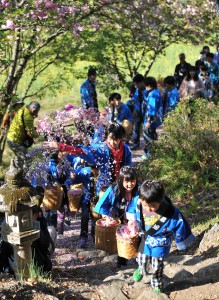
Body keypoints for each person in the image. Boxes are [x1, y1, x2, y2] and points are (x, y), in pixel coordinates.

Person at [133, 180, 195, 294]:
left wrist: (180, 240)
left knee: (157, 265)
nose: (148, 209)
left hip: (160, 242)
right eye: (145, 206)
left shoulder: (171, 212)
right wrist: (133, 222)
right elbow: (133, 211)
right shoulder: (138, 201)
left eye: (152, 207)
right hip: (146, 237)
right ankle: (141, 269)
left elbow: (180, 225)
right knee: (142, 257)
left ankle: (157, 283)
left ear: (160, 201)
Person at [43, 123, 132, 196]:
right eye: (110, 139)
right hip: (105, 188)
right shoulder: (101, 149)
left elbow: (128, 169)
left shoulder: (126, 149)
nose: (112, 143)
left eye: (115, 139)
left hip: (122, 185)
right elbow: (81, 151)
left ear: (121, 138)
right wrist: (60, 146)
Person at [94, 166, 139, 267]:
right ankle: (121, 262)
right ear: (120, 180)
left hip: (136, 220)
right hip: (120, 218)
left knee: (137, 239)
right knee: (122, 240)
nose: (130, 184)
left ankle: (140, 261)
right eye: (126, 181)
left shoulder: (139, 190)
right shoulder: (114, 189)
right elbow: (103, 203)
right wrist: (107, 216)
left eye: (132, 181)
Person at [67, 164, 99, 248]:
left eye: (97, 169)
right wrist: (73, 177)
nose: (95, 171)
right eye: (93, 169)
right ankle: (83, 237)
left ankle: (95, 235)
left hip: (97, 199)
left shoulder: (103, 172)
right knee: (84, 217)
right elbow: (74, 180)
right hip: (86, 198)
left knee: (95, 217)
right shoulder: (85, 171)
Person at [7, 101, 40, 172]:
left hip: (11, 137)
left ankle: (16, 176)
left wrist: (33, 116)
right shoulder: (28, 117)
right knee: (28, 158)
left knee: (19, 159)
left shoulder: (22, 110)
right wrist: (39, 133)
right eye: (36, 111)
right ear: (33, 110)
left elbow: (23, 124)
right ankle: (24, 177)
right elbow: (31, 133)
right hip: (15, 141)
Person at [142, 77, 163, 159]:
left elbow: (152, 109)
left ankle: (149, 155)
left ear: (149, 85)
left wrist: (148, 121)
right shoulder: (156, 92)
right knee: (152, 136)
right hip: (154, 120)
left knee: (148, 137)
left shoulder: (153, 94)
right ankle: (152, 153)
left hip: (151, 121)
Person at [131, 74, 148, 150]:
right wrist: (134, 109)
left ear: (141, 82)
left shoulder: (147, 90)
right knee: (136, 128)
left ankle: (148, 145)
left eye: (136, 84)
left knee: (146, 129)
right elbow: (135, 100)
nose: (136, 86)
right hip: (138, 112)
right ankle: (136, 144)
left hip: (145, 113)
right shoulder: (137, 90)